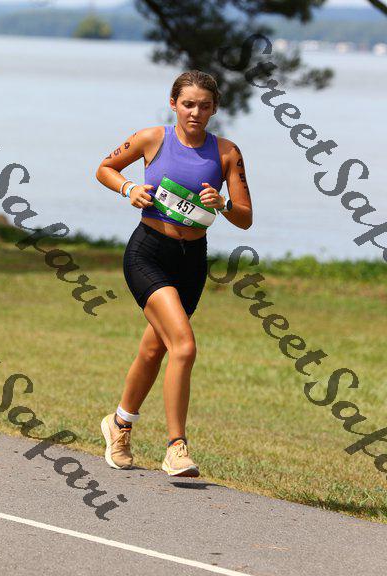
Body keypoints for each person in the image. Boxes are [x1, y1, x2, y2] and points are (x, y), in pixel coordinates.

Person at [96, 69, 252, 477]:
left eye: (204, 106)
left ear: (214, 108)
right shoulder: (152, 138)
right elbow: (105, 168)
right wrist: (130, 189)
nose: (195, 112)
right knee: (183, 346)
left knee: (155, 350)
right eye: (188, 104)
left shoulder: (227, 153)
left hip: (192, 261)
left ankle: (119, 424)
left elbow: (245, 217)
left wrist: (222, 203)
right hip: (148, 253)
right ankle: (176, 448)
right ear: (173, 104)